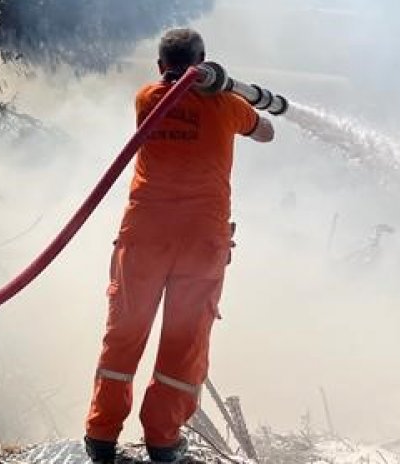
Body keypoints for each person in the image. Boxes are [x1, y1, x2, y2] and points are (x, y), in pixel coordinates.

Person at [84, 28, 274, 463]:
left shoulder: (146, 98)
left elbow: (172, 97)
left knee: (124, 332)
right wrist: (227, 86)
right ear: (202, 63)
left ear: (160, 66)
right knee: (184, 338)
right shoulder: (227, 105)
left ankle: (100, 435)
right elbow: (266, 132)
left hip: (144, 235)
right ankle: (163, 440)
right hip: (200, 242)